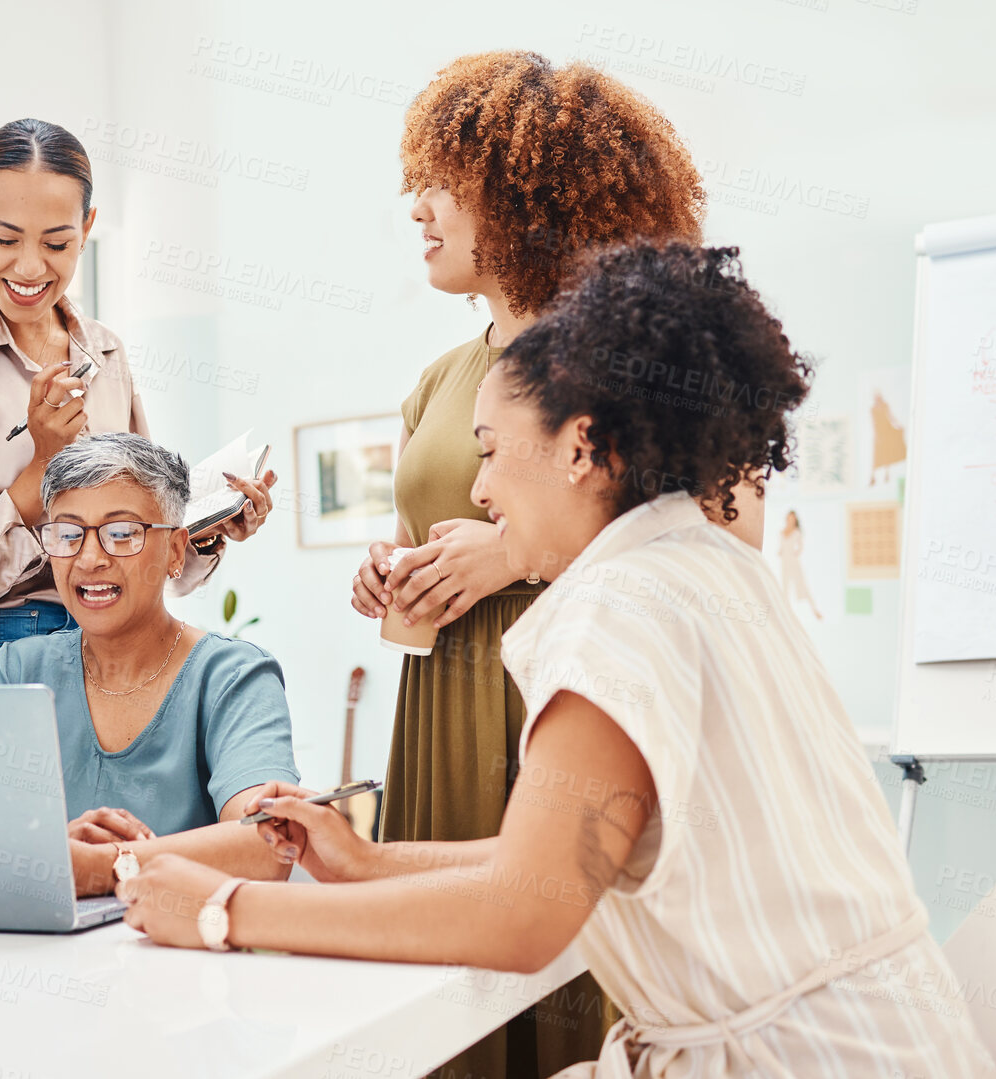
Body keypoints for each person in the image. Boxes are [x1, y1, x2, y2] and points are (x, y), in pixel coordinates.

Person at [120, 243, 996, 1079]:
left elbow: (523, 911)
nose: (478, 489)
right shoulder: (707, 566)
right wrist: (367, 860)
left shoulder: (617, 605)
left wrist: (220, 909)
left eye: (492, 451)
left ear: (581, 447)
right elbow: (550, 859)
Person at [350, 50, 716, 1074]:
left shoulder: (632, 362)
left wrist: (507, 557)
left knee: (556, 950)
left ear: (522, 193)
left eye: (443, 183)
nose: (417, 209)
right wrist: (392, 579)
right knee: (434, 998)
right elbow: (438, 534)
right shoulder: (443, 378)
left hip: (568, 696)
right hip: (439, 701)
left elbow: (696, 547)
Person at [0, 118, 277, 685]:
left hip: (118, 649)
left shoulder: (105, 352)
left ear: (87, 227)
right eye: (5, 238)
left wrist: (207, 525)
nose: (29, 267)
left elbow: (143, 528)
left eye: (57, 243)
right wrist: (39, 476)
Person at [0, 433, 299, 896]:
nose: (89, 559)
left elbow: (269, 842)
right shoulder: (17, 672)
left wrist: (99, 865)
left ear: (174, 551)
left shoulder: (233, 676)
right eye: (68, 534)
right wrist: (52, 852)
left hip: (184, 952)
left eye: (122, 534)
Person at [778, 511, 824, 620]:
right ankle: (785, 613)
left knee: (803, 585)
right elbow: (782, 547)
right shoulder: (781, 532)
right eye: (789, 518)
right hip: (784, 563)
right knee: (785, 587)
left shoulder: (797, 532)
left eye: (792, 518)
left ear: (795, 520)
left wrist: (796, 552)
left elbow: (800, 547)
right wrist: (780, 552)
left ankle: (815, 610)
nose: (791, 520)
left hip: (794, 563)